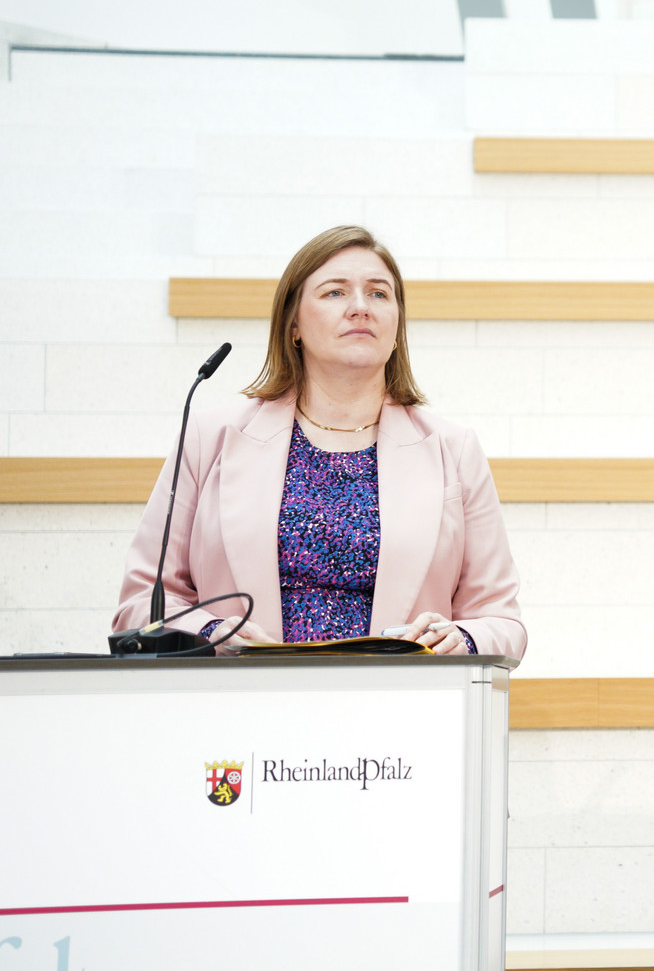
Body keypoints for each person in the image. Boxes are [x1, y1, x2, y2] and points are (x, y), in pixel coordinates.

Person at [113, 225, 526, 659]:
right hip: (241, 702)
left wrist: (463, 638)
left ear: (397, 324)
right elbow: (142, 605)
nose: (361, 308)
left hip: (399, 705)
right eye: (335, 293)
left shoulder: (453, 450)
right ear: (293, 322)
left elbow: (501, 620)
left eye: (380, 294)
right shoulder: (209, 439)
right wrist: (214, 631)